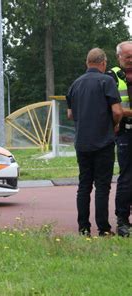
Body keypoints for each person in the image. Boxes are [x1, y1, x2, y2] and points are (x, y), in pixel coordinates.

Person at [66, 48, 122, 237]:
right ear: (103, 63)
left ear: (87, 63)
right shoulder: (106, 81)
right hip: (103, 141)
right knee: (102, 186)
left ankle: (83, 227)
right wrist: (114, 125)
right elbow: (117, 111)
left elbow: (70, 114)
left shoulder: (75, 84)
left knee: (84, 185)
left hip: (82, 142)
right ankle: (103, 228)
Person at [107, 41, 132, 237]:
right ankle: (122, 220)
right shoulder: (112, 76)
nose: (131, 61)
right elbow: (115, 110)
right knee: (127, 177)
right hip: (125, 132)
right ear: (119, 58)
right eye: (127, 57)